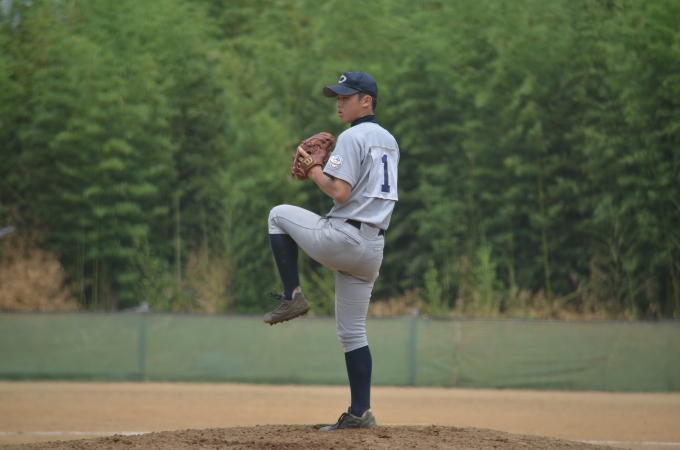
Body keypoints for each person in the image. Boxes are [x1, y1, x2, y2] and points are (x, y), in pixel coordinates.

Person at [264, 71, 399, 430]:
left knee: (277, 215)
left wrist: (314, 170)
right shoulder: (389, 140)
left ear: (366, 101)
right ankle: (360, 413)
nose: (339, 103)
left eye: (346, 97)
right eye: (337, 97)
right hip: (372, 247)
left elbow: (339, 192)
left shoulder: (353, 136)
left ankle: (292, 295)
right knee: (353, 333)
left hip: (344, 238)